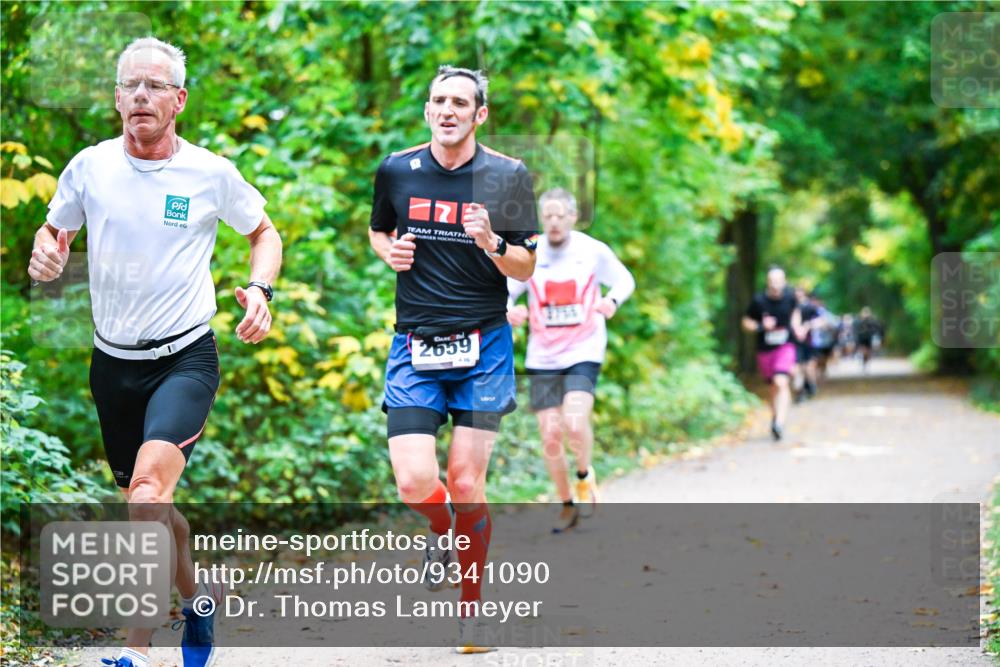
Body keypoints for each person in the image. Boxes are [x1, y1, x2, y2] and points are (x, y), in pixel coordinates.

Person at [28, 37, 282, 667]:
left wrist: (260, 289)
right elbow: (55, 230)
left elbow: (263, 232)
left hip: (184, 357)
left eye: (155, 86)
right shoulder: (89, 167)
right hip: (112, 366)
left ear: (179, 100)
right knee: (152, 508)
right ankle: (199, 605)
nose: (141, 95)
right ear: (117, 98)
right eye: (131, 85)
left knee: (147, 496)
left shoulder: (209, 173)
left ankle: (135, 650)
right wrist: (46, 252)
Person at [368, 65, 538, 653]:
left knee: (465, 480)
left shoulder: (508, 176)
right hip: (414, 342)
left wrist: (492, 242)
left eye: (460, 103)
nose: (447, 110)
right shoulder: (397, 169)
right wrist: (390, 252)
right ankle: (443, 530)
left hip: (484, 345)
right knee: (415, 481)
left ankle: (472, 614)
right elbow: (379, 231)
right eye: (438, 100)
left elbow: (526, 265)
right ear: (427, 109)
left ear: (479, 114)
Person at [507, 188, 634, 533]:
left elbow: (624, 279)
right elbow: (506, 289)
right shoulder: (530, 251)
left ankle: (583, 475)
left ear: (573, 217)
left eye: (560, 215)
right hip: (543, 355)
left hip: (583, 349)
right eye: (547, 216)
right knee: (550, 435)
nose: (553, 222)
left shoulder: (592, 250)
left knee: (575, 422)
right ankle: (566, 504)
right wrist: (509, 310)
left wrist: (612, 301)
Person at [742, 267, 803, 441]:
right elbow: (746, 322)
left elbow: (796, 313)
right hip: (765, 349)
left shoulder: (790, 298)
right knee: (773, 387)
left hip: (785, 346)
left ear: (784, 282)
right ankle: (775, 418)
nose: (775, 285)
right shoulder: (758, 301)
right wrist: (760, 326)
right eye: (772, 281)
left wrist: (797, 327)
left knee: (781, 381)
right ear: (767, 282)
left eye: (779, 281)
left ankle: (780, 423)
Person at [854, 307, 884, 372]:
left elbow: (876, 329)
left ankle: (865, 363)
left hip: (868, 338)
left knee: (868, 352)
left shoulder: (872, 321)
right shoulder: (858, 321)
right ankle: (862, 360)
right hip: (861, 338)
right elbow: (855, 330)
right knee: (863, 351)